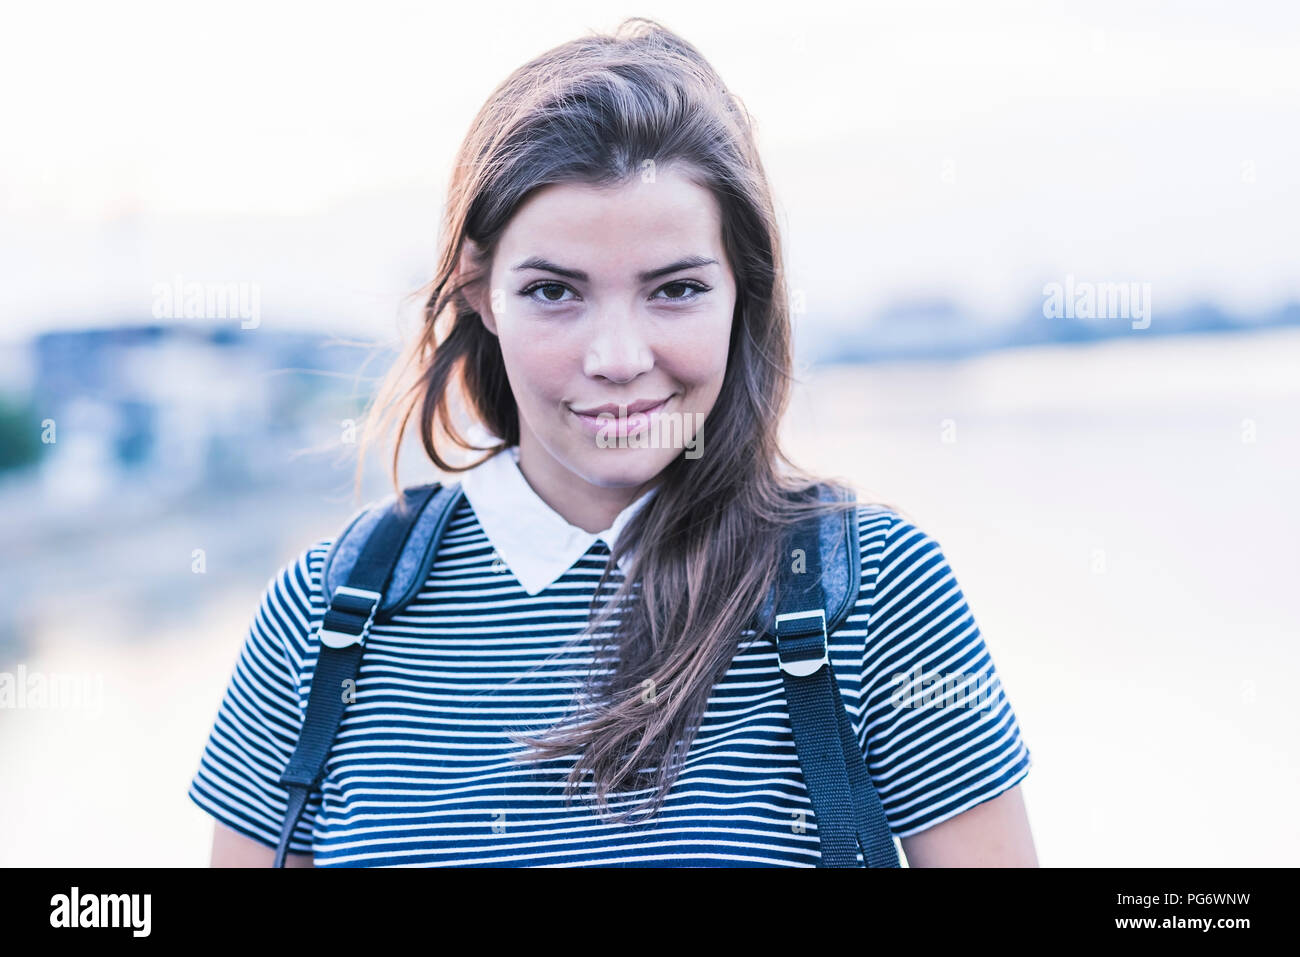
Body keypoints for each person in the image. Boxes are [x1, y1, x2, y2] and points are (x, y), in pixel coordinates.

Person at [188, 17, 1036, 867]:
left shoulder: (878, 593)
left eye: (675, 290)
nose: (620, 359)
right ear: (482, 293)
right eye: (556, 290)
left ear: (746, 291)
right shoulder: (326, 619)